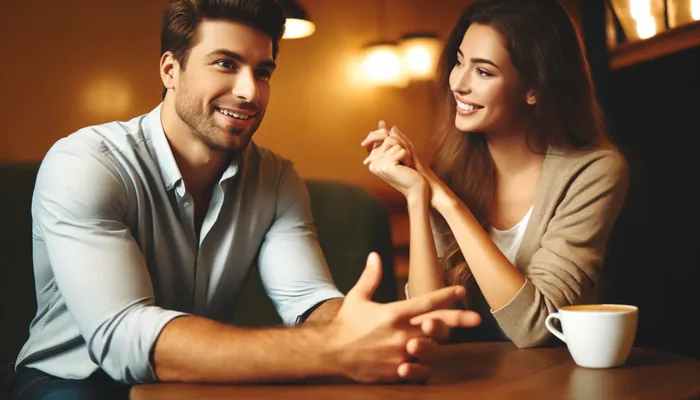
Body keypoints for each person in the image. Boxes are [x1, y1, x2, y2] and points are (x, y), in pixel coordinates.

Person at [9, 0, 482, 398]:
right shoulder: (86, 162)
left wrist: (369, 325)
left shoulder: (276, 178)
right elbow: (122, 339)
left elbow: (309, 303)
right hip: (72, 382)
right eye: (225, 63)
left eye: (263, 71)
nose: (249, 91)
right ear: (170, 69)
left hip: (192, 385)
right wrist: (335, 347)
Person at [361, 0, 628, 348]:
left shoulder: (594, 172)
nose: (459, 83)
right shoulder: (451, 171)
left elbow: (536, 329)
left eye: (484, 72)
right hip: (475, 380)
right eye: (459, 62)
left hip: (559, 379)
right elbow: (428, 324)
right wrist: (417, 196)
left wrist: (445, 200)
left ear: (533, 88)